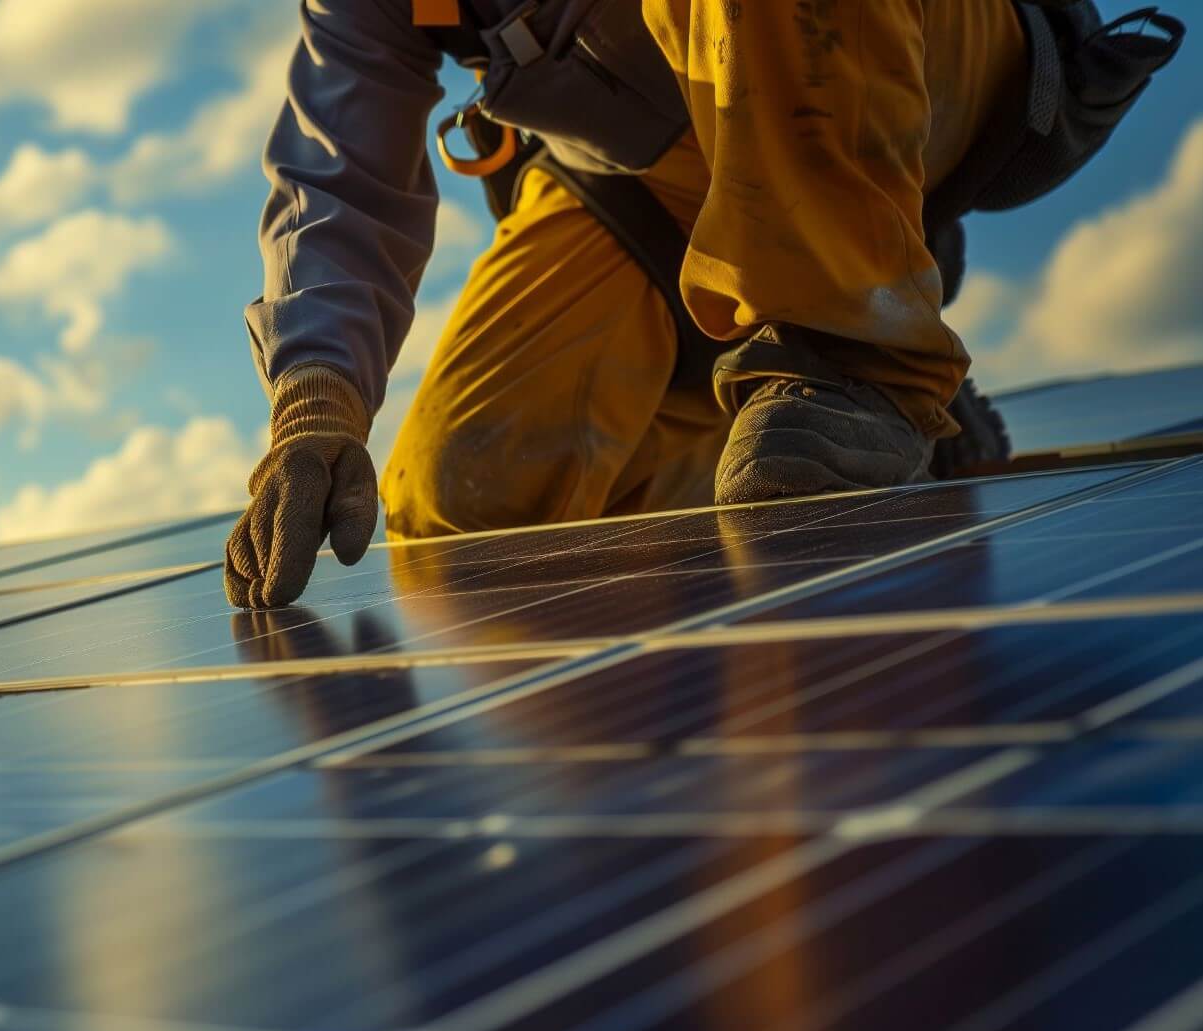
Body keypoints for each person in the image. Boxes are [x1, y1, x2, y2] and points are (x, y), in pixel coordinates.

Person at [221, 0, 1181, 610]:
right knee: (465, 500)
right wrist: (315, 407)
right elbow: (338, 182)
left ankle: (859, 361)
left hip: (912, 47)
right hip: (650, 173)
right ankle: (757, 475)